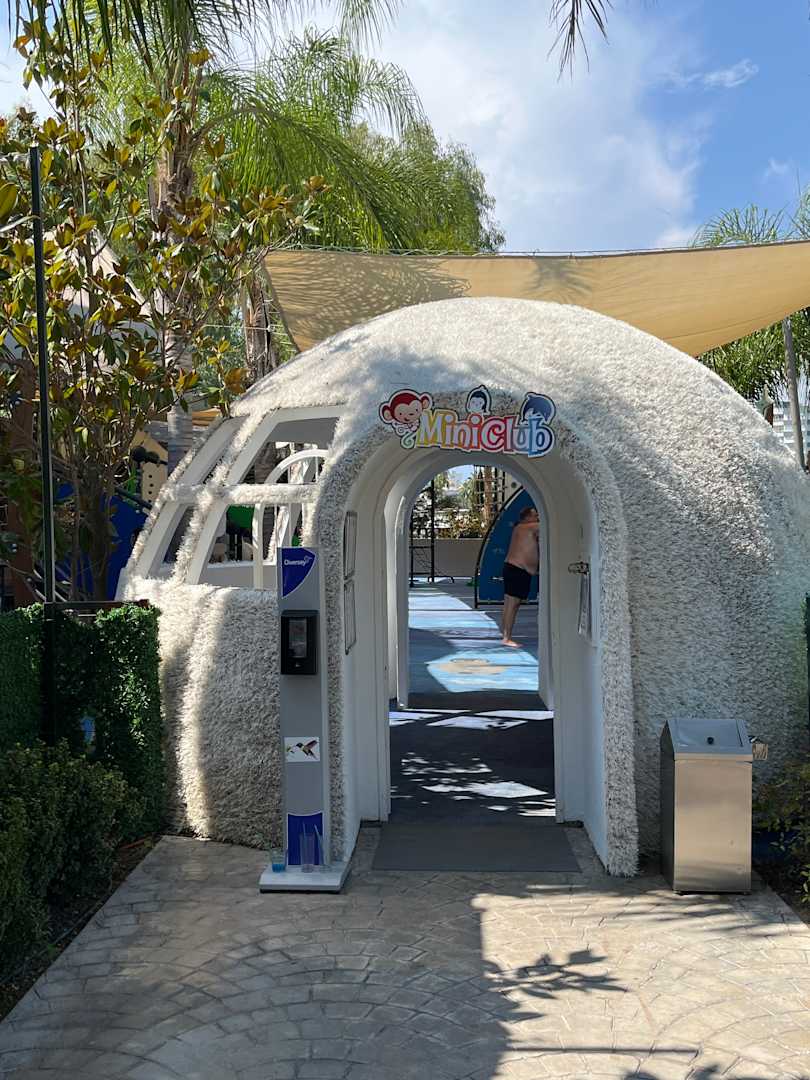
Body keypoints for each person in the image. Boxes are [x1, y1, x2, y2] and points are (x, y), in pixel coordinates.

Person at [501, 506, 539, 647]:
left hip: (513, 568)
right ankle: (506, 638)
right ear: (527, 517)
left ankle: (505, 635)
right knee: (512, 604)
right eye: (535, 515)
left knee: (510, 604)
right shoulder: (529, 527)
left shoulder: (519, 528)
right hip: (517, 569)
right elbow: (551, 524)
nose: (538, 518)